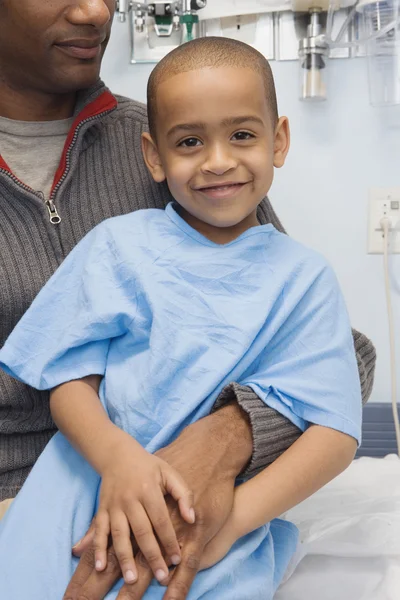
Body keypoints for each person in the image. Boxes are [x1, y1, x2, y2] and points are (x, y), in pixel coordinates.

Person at [0, 1, 375, 598]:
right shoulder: (121, 245)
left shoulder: (300, 277)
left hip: (216, 521)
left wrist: (234, 517)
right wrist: (118, 461)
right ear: (156, 157)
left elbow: (334, 423)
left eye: (242, 135)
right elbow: (65, 370)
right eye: (191, 142)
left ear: (279, 140)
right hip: (80, 486)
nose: (219, 161)